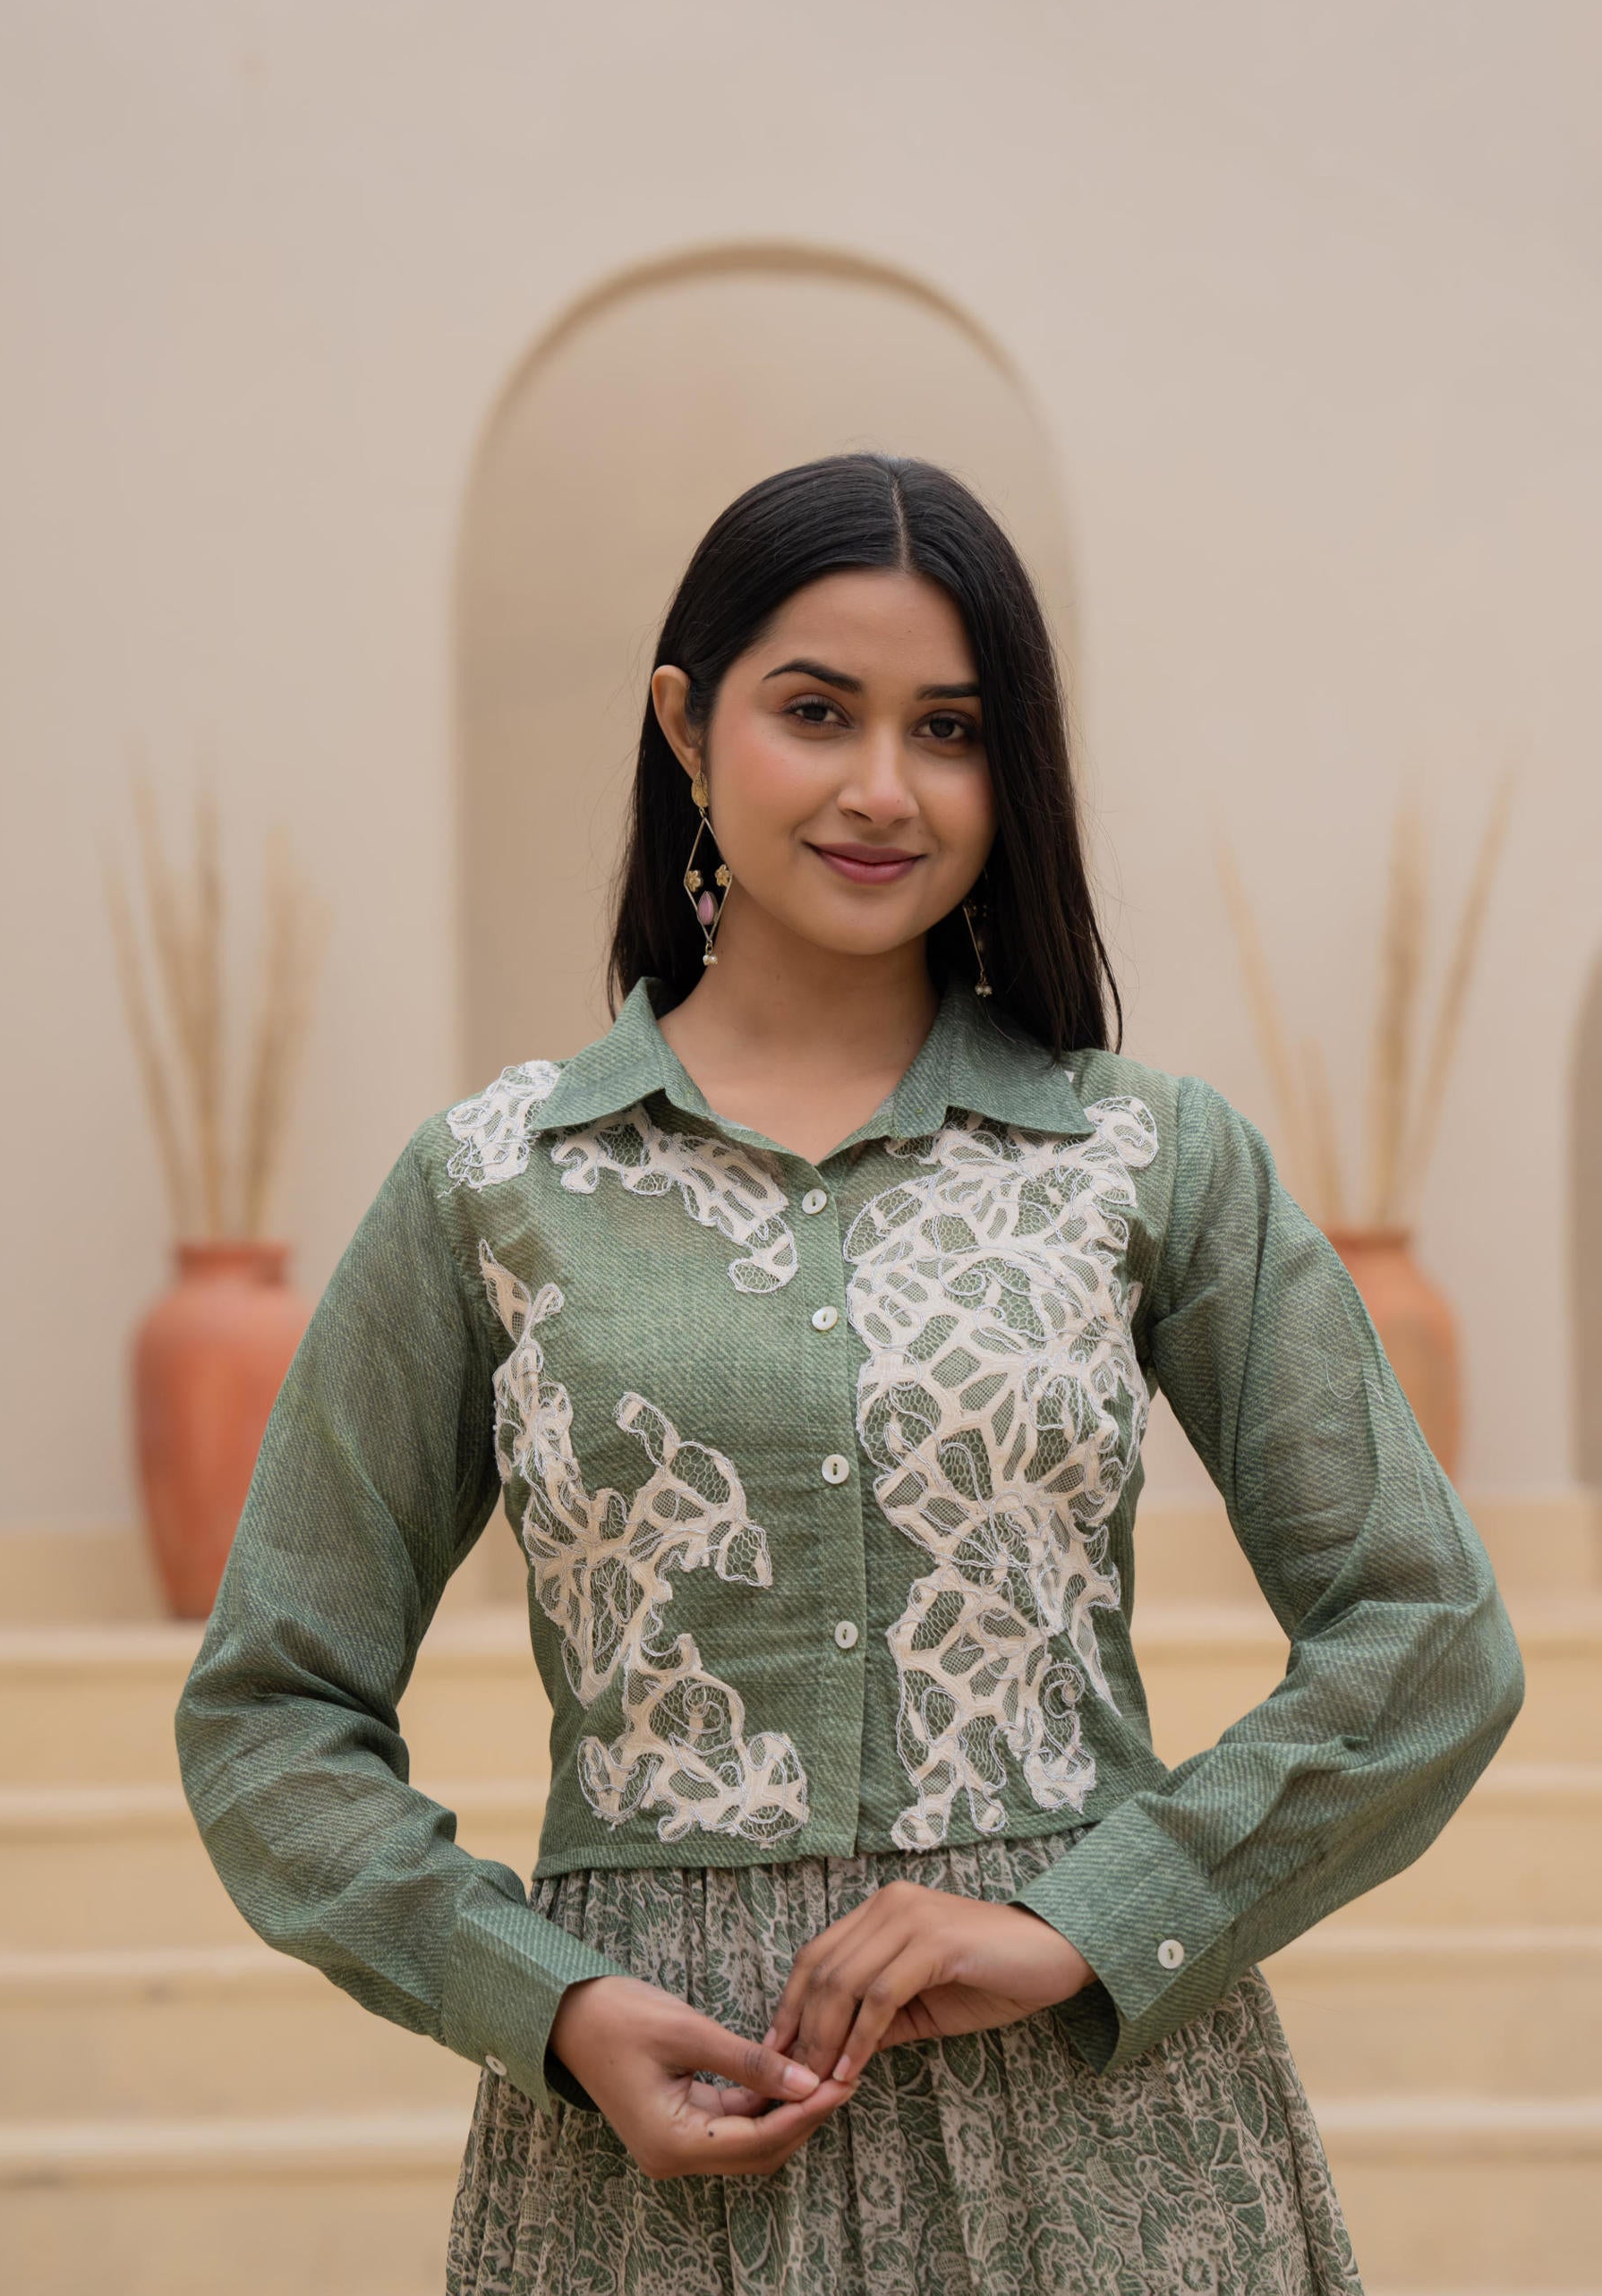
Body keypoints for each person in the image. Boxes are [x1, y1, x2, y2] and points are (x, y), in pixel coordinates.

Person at [175, 453, 1523, 2295]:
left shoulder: (1143, 1159)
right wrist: (543, 2004)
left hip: (1100, 2142)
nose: (882, 789)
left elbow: (1424, 1631)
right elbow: (269, 1715)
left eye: (948, 728)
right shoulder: (496, 1187)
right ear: (684, 724)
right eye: (816, 711)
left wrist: (1090, 1918)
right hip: (665, 2167)